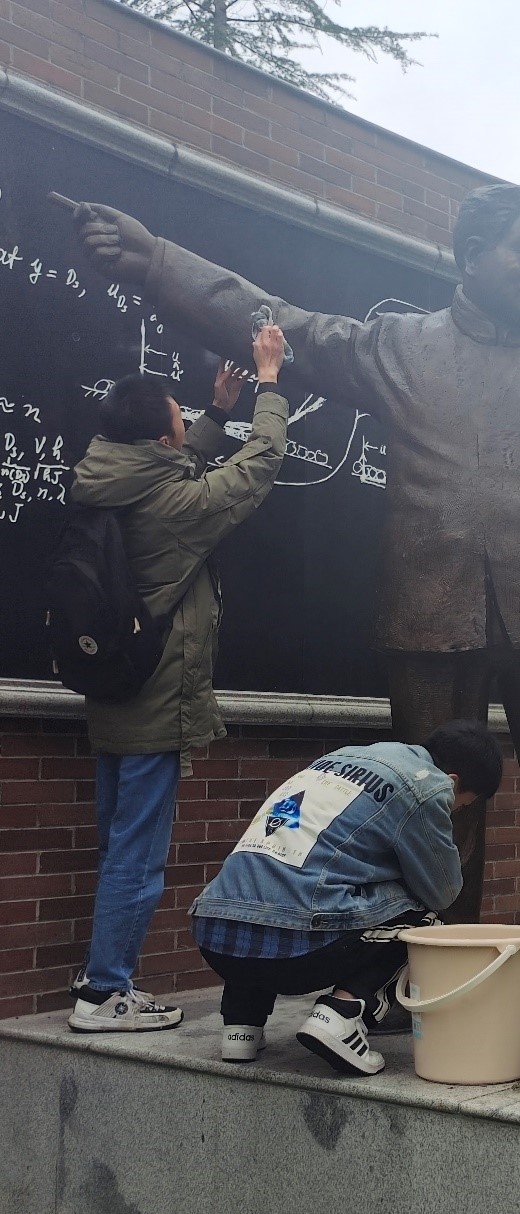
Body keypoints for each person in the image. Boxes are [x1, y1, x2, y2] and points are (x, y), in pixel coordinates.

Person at [72, 184, 520, 966]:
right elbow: (280, 324)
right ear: (472, 255)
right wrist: (156, 261)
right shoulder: (403, 346)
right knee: (428, 807)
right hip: (430, 612)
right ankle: (440, 985)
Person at [68, 325, 290, 1033]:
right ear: (161, 438)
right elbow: (258, 466)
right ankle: (106, 993)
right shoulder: (175, 507)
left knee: (118, 843)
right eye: (178, 417)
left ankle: (100, 978)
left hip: (113, 690)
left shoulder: (107, 479)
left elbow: (174, 465)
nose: (182, 427)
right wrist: (268, 383)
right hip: (157, 695)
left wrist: (216, 411)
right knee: (138, 855)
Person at [189, 720, 504, 1075]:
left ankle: (241, 1025)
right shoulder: (427, 786)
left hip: (215, 936)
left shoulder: (336, 759)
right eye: (463, 805)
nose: (456, 810)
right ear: (454, 781)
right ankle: (341, 1016)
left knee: (269, 880)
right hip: (298, 949)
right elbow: (442, 891)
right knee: (424, 921)